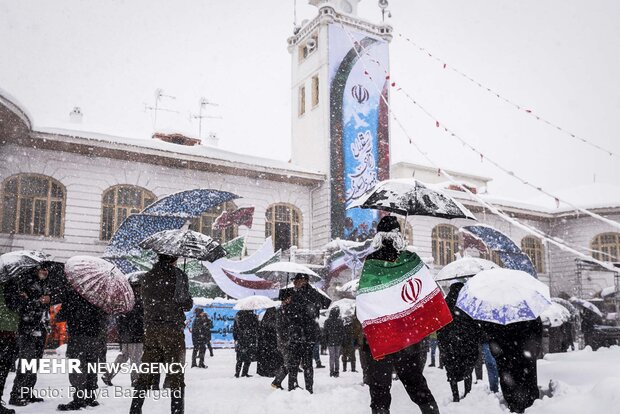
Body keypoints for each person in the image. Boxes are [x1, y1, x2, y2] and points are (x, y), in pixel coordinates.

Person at [360, 216, 440, 414]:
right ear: (397, 234)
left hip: (380, 336)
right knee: (417, 384)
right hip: (407, 337)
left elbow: (364, 300)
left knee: (379, 390)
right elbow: (424, 292)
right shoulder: (410, 260)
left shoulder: (371, 262)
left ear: (378, 235)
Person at [130, 254, 193, 414]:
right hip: (172, 330)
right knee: (176, 375)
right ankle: (177, 411)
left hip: (151, 330)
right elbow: (186, 304)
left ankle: (135, 409)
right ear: (173, 258)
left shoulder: (147, 277)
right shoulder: (178, 275)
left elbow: (146, 301)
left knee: (145, 373)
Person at [6, 264, 51, 407]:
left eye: (46, 269)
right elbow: (22, 305)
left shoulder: (45, 285)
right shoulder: (26, 283)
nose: (45, 271)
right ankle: (16, 394)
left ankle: (28, 391)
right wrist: (39, 301)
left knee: (35, 362)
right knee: (26, 361)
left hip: (40, 327)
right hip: (27, 328)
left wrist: (47, 302)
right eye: (42, 269)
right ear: (36, 270)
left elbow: (43, 306)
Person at [56, 287, 108, 411]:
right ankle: (90, 397)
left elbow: (61, 316)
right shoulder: (97, 293)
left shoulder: (72, 293)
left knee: (78, 368)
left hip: (77, 336)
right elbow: (103, 314)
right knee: (91, 366)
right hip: (94, 336)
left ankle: (79, 398)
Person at [481, 317, 543, 413]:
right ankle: (529, 403)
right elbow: (537, 330)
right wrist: (534, 350)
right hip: (525, 353)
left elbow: (490, 332)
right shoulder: (528, 312)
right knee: (527, 379)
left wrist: (498, 353)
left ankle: (515, 404)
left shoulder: (497, 314)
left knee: (511, 382)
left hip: (507, 354)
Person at [285, 273, 330, 394]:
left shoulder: (302, 294)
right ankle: (303, 387)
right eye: (294, 281)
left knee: (299, 363)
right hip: (304, 334)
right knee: (303, 363)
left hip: (301, 334)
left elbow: (293, 314)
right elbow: (326, 303)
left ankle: (298, 386)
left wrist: (288, 305)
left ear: (303, 281)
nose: (294, 283)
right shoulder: (308, 293)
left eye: (296, 281)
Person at [437, 282, 481, 402]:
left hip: (450, 346)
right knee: (467, 369)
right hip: (467, 344)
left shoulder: (445, 304)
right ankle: (468, 392)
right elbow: (475, 324)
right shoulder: (466, 304)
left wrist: (443, 344)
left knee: (451, 371)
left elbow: (440, 326)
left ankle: (455, 395)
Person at [102, 280, 144, 386]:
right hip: (135, 335)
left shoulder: (125, 300)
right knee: (136, 359)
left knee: (124, 356)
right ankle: (136, 380)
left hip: (126, 335)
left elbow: (120, 318)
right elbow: (138, 319)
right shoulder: (137, 302)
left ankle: (108, 375)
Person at [0, 283, 19, 414]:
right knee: (2, 367)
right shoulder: (9, 284)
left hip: (7, 328)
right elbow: (13, 304)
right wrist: (22, 298)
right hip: (5, 330)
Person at [271, 290, 293, 389]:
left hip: (286, 340)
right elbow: (281, 327)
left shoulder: (286, 310)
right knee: (288, 363)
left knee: (289, 363)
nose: (290, 300)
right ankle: (277, 381)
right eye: (289, 298)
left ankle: (278, 381)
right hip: (284, 341)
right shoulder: (281, 311)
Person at [256, 307, 282, 377]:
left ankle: (266, 371)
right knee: (273, 358)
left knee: (267, 358)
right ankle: (273, 371)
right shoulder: (276, 319)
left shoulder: (265, 319)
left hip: (265, 344)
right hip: (273, 343)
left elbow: (261, 331)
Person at [233, 310, 259, 377]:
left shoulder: (238, 315)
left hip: (241, 339)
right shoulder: (252, 315)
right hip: (250, 339)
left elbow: (235, 328)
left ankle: (237, 373)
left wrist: (235, 338)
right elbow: (256, 327)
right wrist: (257, 319)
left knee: (240, 357)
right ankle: (244, 372)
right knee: (248, 357)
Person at [324, 306, 345, 377]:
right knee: (336, 357)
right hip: (338, 341)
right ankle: (337, 371)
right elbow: (342, 332)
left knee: (332, 357)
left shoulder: (327, 321)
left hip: (330, 341)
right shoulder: (340, 321)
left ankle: (331, 371)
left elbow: (325, 332)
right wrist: (341, 340)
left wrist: (326, 340)